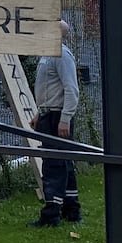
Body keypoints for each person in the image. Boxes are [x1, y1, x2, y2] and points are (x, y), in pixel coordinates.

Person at [29, 19, 82, 227]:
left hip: (57, 117)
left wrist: (65, 119)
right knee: (64, 163)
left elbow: (71, 89)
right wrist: (38, 114)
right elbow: (47, 89)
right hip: (48, 115)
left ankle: (51, 214)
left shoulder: (61, 55)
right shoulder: (47, 55)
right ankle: (72, 210)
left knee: (54, 165)